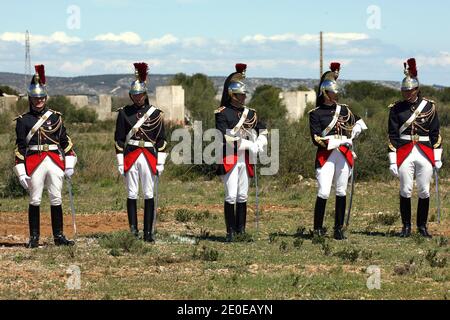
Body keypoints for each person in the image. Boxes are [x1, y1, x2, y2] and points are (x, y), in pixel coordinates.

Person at [14, 65, 77, 248]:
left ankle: (58, 236)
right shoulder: (23, 120)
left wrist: (70, 163)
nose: (39, 101)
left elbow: (66, 142)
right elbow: (20, 147)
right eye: (35, 98)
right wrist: (21, 172)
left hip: (55, 162)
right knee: (35, 199)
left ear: (45, 98)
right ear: (30, 99)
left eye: (41, 98)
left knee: (56, 198)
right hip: (34, 162)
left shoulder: (56, 118)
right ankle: (34, 237)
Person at [309, 62, 368, 240]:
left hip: (343, 155)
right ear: (325, 94)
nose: (336, 95)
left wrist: (355, 130)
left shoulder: (344, 110)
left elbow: (359, 122)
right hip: (326, 155)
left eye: (336, 93)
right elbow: (316, 139)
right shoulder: (315, 114)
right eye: (333, 93)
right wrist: (339, 140)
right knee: (324, 191)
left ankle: (338, 228)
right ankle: (318, 229)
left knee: (341, 191)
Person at [387, 58, 443, 238]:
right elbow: (392, 135)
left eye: (409, 90)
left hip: (425, 151)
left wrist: (437, 156)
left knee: (424, 190)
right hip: (404, 151)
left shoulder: (429, 107)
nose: (407, 94)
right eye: (404, 91)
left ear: (416, 89)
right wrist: (392, 159)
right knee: (405, 189)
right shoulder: (396, 108)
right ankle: (405, 226)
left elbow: (435, 133)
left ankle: (422, 226)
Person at [114, 62, 167, 242]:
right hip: (131, 155)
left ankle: (148, 233)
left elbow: (162, 139)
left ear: (145, 95)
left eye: (140, 94)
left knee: (149, 193)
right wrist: (120, 161)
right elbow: (119, 139)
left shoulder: (155, 114)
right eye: (135, 95)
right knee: (131, 193)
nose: (138, 98)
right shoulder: (123, 113)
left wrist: (161, 161)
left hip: (149, 156)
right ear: (131, 95)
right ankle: (133, 231)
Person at [215, 64, 268, 241]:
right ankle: (230, 232)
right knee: (231, 195)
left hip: (246, 159)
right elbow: (225, 136)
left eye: (245, 95)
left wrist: (261, 141)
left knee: (243, 195)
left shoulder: (250, 113)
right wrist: (247, 144)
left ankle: (241, 231)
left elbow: (263, 129)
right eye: (241, 95)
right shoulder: (222, 113)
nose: (244, 98)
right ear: (232, 95)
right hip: (230, 156)